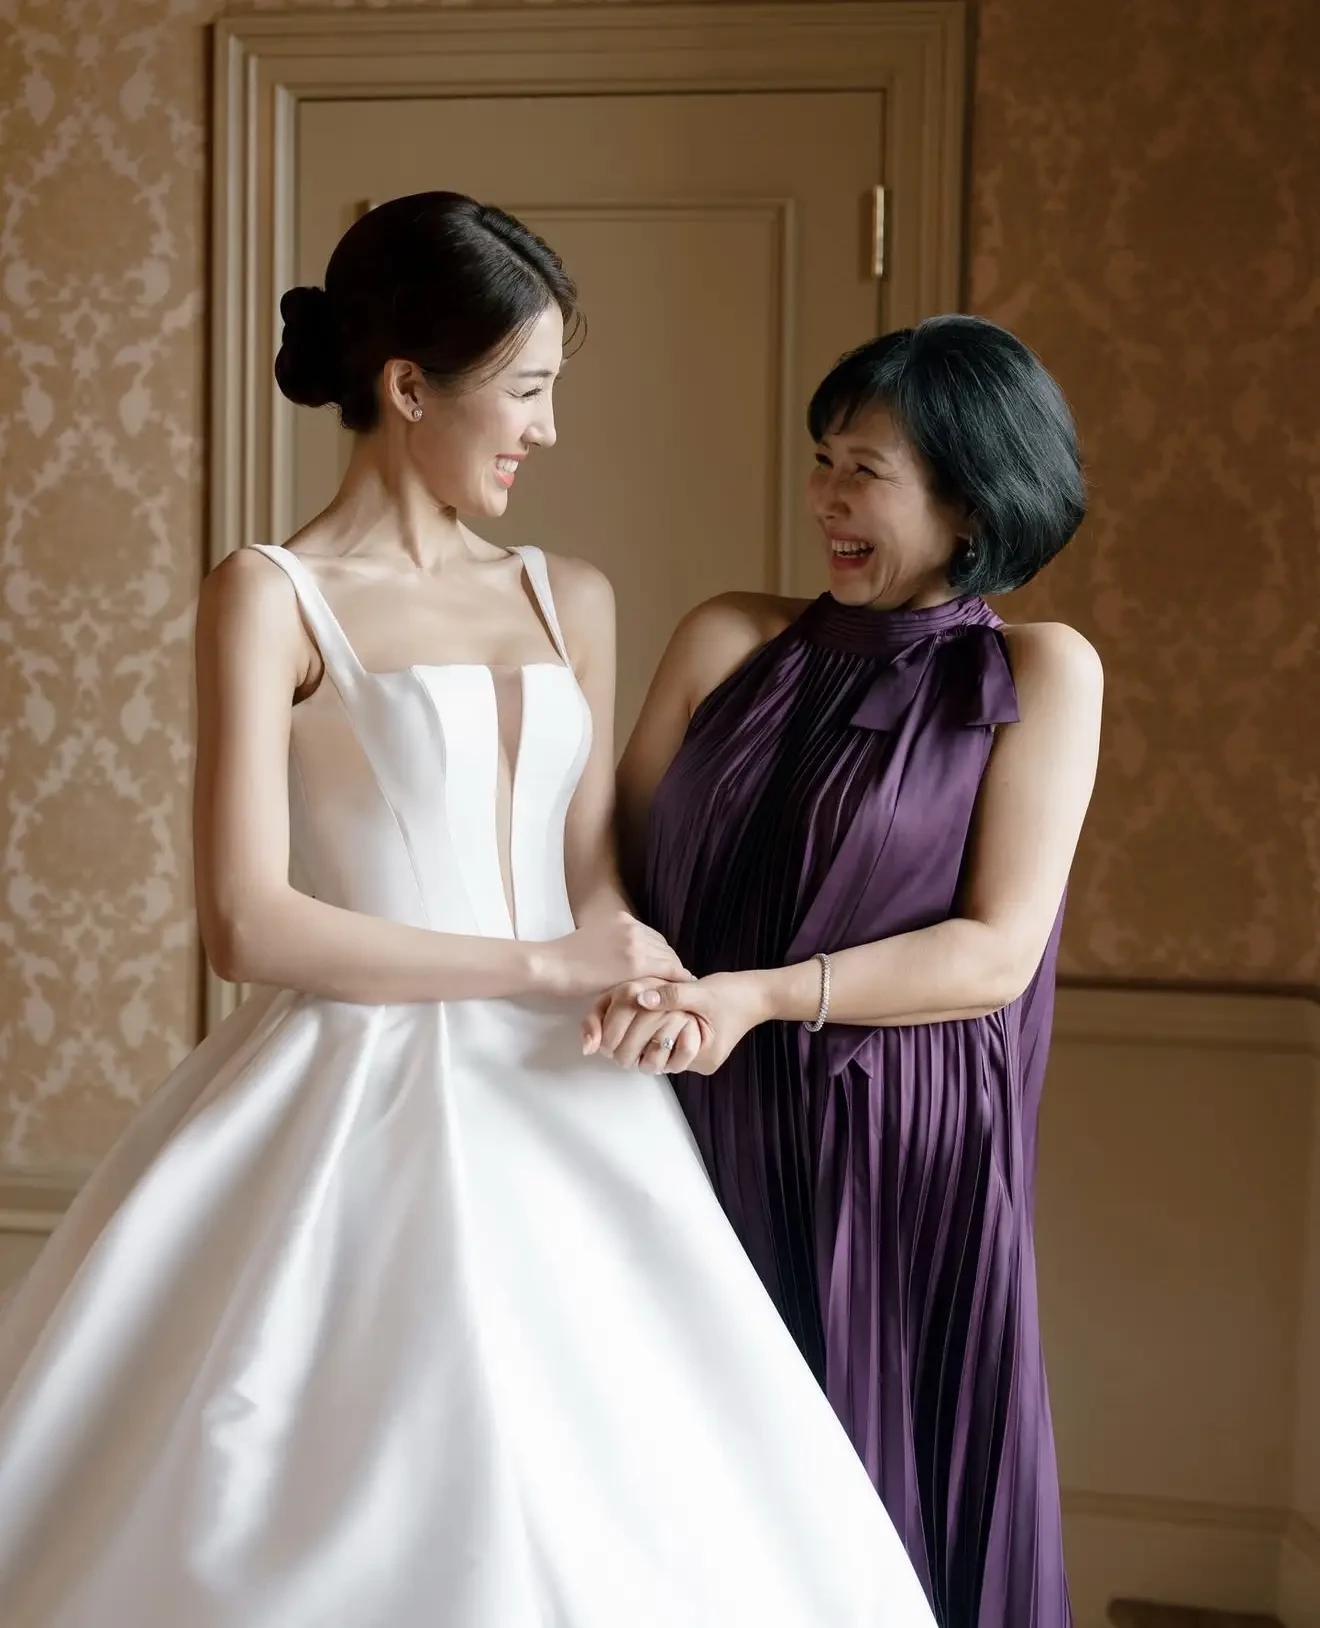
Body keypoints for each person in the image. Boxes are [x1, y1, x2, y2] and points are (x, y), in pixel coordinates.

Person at [0, 194, 937, 1628]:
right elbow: (249, 924)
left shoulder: (572, 595)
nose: (548, 430)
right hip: (344, 1095)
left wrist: (632, 967)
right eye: (529, 389)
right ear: (406, 388)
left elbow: (583, 868)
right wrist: (545, 962)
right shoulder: (271, 596)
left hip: (575, 1099)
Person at [591, 315, 1101, 1628]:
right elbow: (611, 877)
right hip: (690, 1120)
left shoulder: (1041, 671)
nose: (825, 496)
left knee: (877, 1486)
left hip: (902, 1147)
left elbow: (993, 954)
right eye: (823, 459)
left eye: (863, 468)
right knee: (683, 1488)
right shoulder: (725, 639)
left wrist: (757, 994)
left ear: (971, 495)